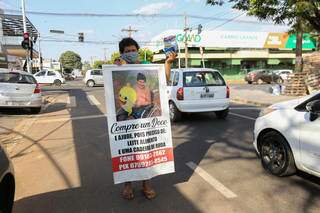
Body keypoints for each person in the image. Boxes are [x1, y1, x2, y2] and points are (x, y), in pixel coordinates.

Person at [114, 37, 176, 200]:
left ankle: (146, 184)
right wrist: (117, 65)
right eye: (127, 51)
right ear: (122, 53)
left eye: (133, 50)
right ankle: (127, 185)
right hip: (130, 114)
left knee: (146, 149)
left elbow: (165, 80)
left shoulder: (149, 68)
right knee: (128, 149)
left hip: (146, 116)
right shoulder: (119, 68)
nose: (131, 53)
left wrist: (168, 63)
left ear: (138, 51)